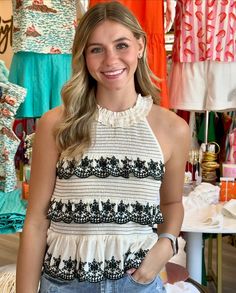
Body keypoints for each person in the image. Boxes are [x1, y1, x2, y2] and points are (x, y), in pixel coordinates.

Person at [16, 2, 190, 292]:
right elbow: (35, 221)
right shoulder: (56, 124)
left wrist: (165, 246)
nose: (111, 59)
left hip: (137, 281)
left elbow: (172, 203)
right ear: (83, 56)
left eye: (121, 45)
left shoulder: (174, 129)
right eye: (96, 49)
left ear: (141, 46)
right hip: (64, 283)